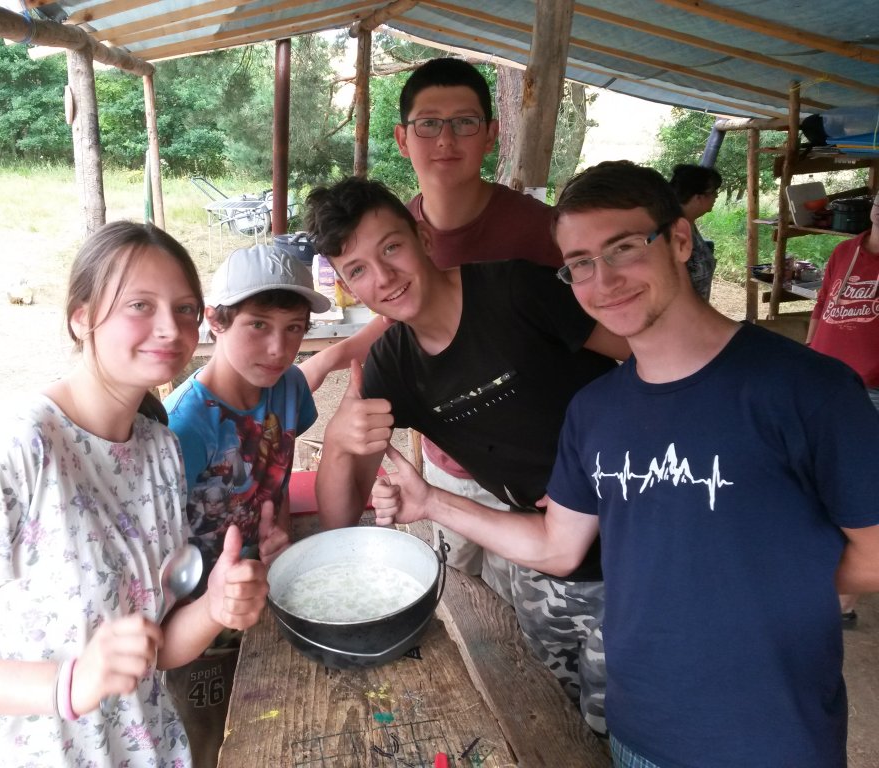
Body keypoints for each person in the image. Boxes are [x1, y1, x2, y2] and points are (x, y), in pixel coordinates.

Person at [372, 161, 879, 767]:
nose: (604, 280)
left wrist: (756, 587)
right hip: (637, 731)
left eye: (624, 248)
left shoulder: (805, 389)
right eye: (581, 263)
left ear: (680, 240)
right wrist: (431, 502)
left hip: (768, 736)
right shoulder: (595, 412)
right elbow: (557, 547)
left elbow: (874, 553)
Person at [0, 221, 270, 767]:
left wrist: (215, 606)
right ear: (81, 317)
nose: (170, 327)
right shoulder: (11, 446)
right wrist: (66, 685)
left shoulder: (160, 450)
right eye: (140, 305)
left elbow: (153, 651)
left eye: (185, 309)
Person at [303, 175, 630, 735]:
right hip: (539, 560)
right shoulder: (392, 365)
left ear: (424, 238)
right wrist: (337, 439)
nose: (383, 277)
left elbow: (645, 354)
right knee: (558, 717)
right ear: (348, 287)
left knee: (629, 723)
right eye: (357, 270)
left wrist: (612, 458)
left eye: (391, 247)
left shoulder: (516, 290)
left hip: (633, 546)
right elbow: (341, 518)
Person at [301, 58, 564, 604]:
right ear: (403, 138)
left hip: (570, 493)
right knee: (474, 602)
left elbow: (625, 345)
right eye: (429, 124)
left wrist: (596, 460)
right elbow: (394, 318)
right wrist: (341, 436)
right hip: (457, 472)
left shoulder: (530, 253)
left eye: (463, 122)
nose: (445, 139)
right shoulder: (394, 343)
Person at [162, 243, 329, 767]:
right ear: (216, 321)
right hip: (197, 626)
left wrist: (280, 532)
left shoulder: (289, 387)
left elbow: (277, 470)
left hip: (268, 594)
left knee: (279, 729)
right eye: (258, 325)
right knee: (211, 744)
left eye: (294, 328)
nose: (279, 348)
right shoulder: (182, 429)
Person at [806, 190, 879, 630]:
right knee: (816, 479)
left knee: (860, 489)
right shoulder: (845, 251)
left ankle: (842, 602)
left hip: (871, 389)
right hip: (825, 379)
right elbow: (823, 304)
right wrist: (809, 350)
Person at [669, 163, 722, 300]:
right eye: (713, 192)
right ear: (698, 197)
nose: (716, 196)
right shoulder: (671, 232)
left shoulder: (689, 224)